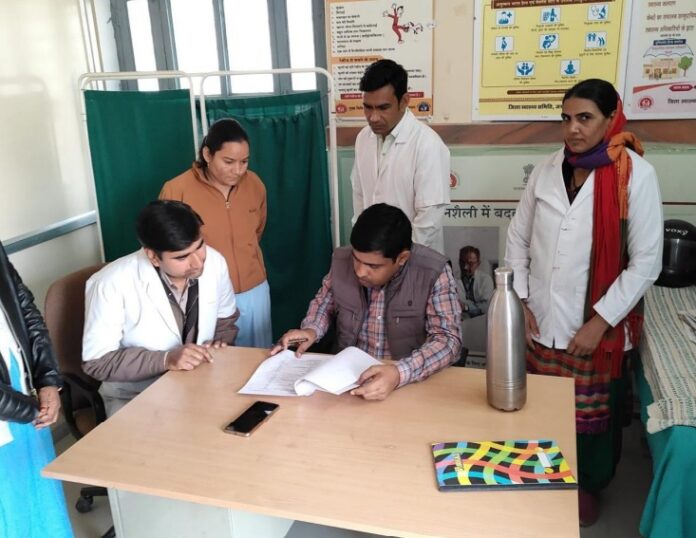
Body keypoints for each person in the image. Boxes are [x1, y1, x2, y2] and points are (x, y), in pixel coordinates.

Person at [505, 79, 663, 526]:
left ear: (612, 119)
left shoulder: (636, 175)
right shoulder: (547, 168)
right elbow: (518, 237)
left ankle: (586, 484)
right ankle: (541, 474)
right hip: (541, 316)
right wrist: (521, 299)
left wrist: (600, 322)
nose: (572, 128)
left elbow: (647, 262)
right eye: (566, 118)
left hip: (596, 326)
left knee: (589, 418)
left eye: (585, 118)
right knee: (540, 407)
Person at [271, 203, 462, 401]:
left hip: (405, 380)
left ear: (402, 258)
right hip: (345, 379)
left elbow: (448, 340)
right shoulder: (341, 260)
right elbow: (325, 303)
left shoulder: (432, 271)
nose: (360, 271)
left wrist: (399, 373)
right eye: (356, 259)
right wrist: (311, 330)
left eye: (373, 266)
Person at [83, 201, 239, 416]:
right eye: (182, 257)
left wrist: (221, 341)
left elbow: (225, 320)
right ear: (153, 256)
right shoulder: (110, 283)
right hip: (136, 396)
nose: (198, 263)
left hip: (200, 384)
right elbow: (98, 362)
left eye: (199, 246)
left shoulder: (214, 262)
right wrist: (166, 360)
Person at [160, 118, 271, 348]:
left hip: (254, 290)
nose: (238, 170)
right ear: (207, 154)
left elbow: (257, 230)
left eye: (244, 162)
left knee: (258, 357)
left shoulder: (255, 185)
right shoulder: (176, 190)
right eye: (228, 162)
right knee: (214, 359)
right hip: (204, 292)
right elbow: (166, 244)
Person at [0, 241, 72, 537]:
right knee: (11, 511)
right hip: (14, 408)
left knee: (42, 502)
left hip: (22, 388)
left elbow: (24, 308)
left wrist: (48, 379)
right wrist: (32, 409)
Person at [350, 59, 450, 254]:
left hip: (414, 256)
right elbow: (359, 197)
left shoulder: (427, 144)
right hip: (372, 257)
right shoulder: (363, 138)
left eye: (383, 108)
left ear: (404, 101)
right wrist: (363, 247)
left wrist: (399, 259)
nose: (373, 117)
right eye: (368, 107)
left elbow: (429, 219)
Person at [456, 245, 494, 318]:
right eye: (462, 262)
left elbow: (487, 306)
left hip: (482, 321)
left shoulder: (486, 280)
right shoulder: (452, 280)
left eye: (470, 263)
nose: (465, 267)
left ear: (478, 263)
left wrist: (466, 307)